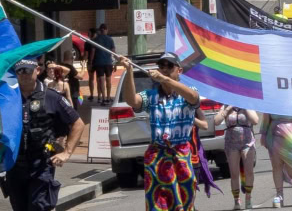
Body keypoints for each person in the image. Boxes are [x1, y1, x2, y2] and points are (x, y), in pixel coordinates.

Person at [0, 59, 84, 211]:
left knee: (38, 207)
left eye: (27, 70)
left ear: (37, 70)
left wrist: (67, 152)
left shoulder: (52, 97)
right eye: (20, 71)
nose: (24, 75)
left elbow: (78, 123)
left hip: (41, 165)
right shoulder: (7, 99)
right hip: (14, 166)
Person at [117, 52, 200, 210]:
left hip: (180, 154)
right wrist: (128, 72)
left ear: (179, 70)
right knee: (158, 203)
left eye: (169, 65)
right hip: (157, 155)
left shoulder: (188, 92)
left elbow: (194, 97)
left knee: (185, 200)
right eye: (161, 66)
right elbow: (132, 101)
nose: (165, 69)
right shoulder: (151, 96)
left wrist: (165, 79)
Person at [214, 105, 259, 209]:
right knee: (234, 173)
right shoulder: (225, 105)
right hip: (231, 143)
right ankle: (236, 200)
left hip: (247, 142)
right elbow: (216, 121)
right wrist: (227, 109)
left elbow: (255, 120)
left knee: (249, 172)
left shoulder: (247, 104)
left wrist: (245, 105)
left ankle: (248, 198)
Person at [92, 24, 115, 106]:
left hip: (99, 62)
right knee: (108, 80)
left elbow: (93, 52)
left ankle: (104, 98)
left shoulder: (96, 39)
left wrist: (91, 62)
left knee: (101, 80)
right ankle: (108, 97)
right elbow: (113, 51)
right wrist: (114, 63)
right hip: (108, 62)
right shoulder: (110, 39)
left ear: (100, 30)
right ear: (106, 30)